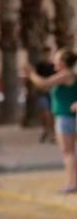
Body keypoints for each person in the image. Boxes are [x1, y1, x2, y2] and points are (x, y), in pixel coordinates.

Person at [26, 48, 77, 193]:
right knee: (70, 152)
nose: (54, 59)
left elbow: (43, 84)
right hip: (67, 117)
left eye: (57, 57)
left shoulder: (66, 75)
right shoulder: (68, 75)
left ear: (63, 62)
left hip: (66, 118)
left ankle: (72, 183)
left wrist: (31, 74)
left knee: (68, 152)